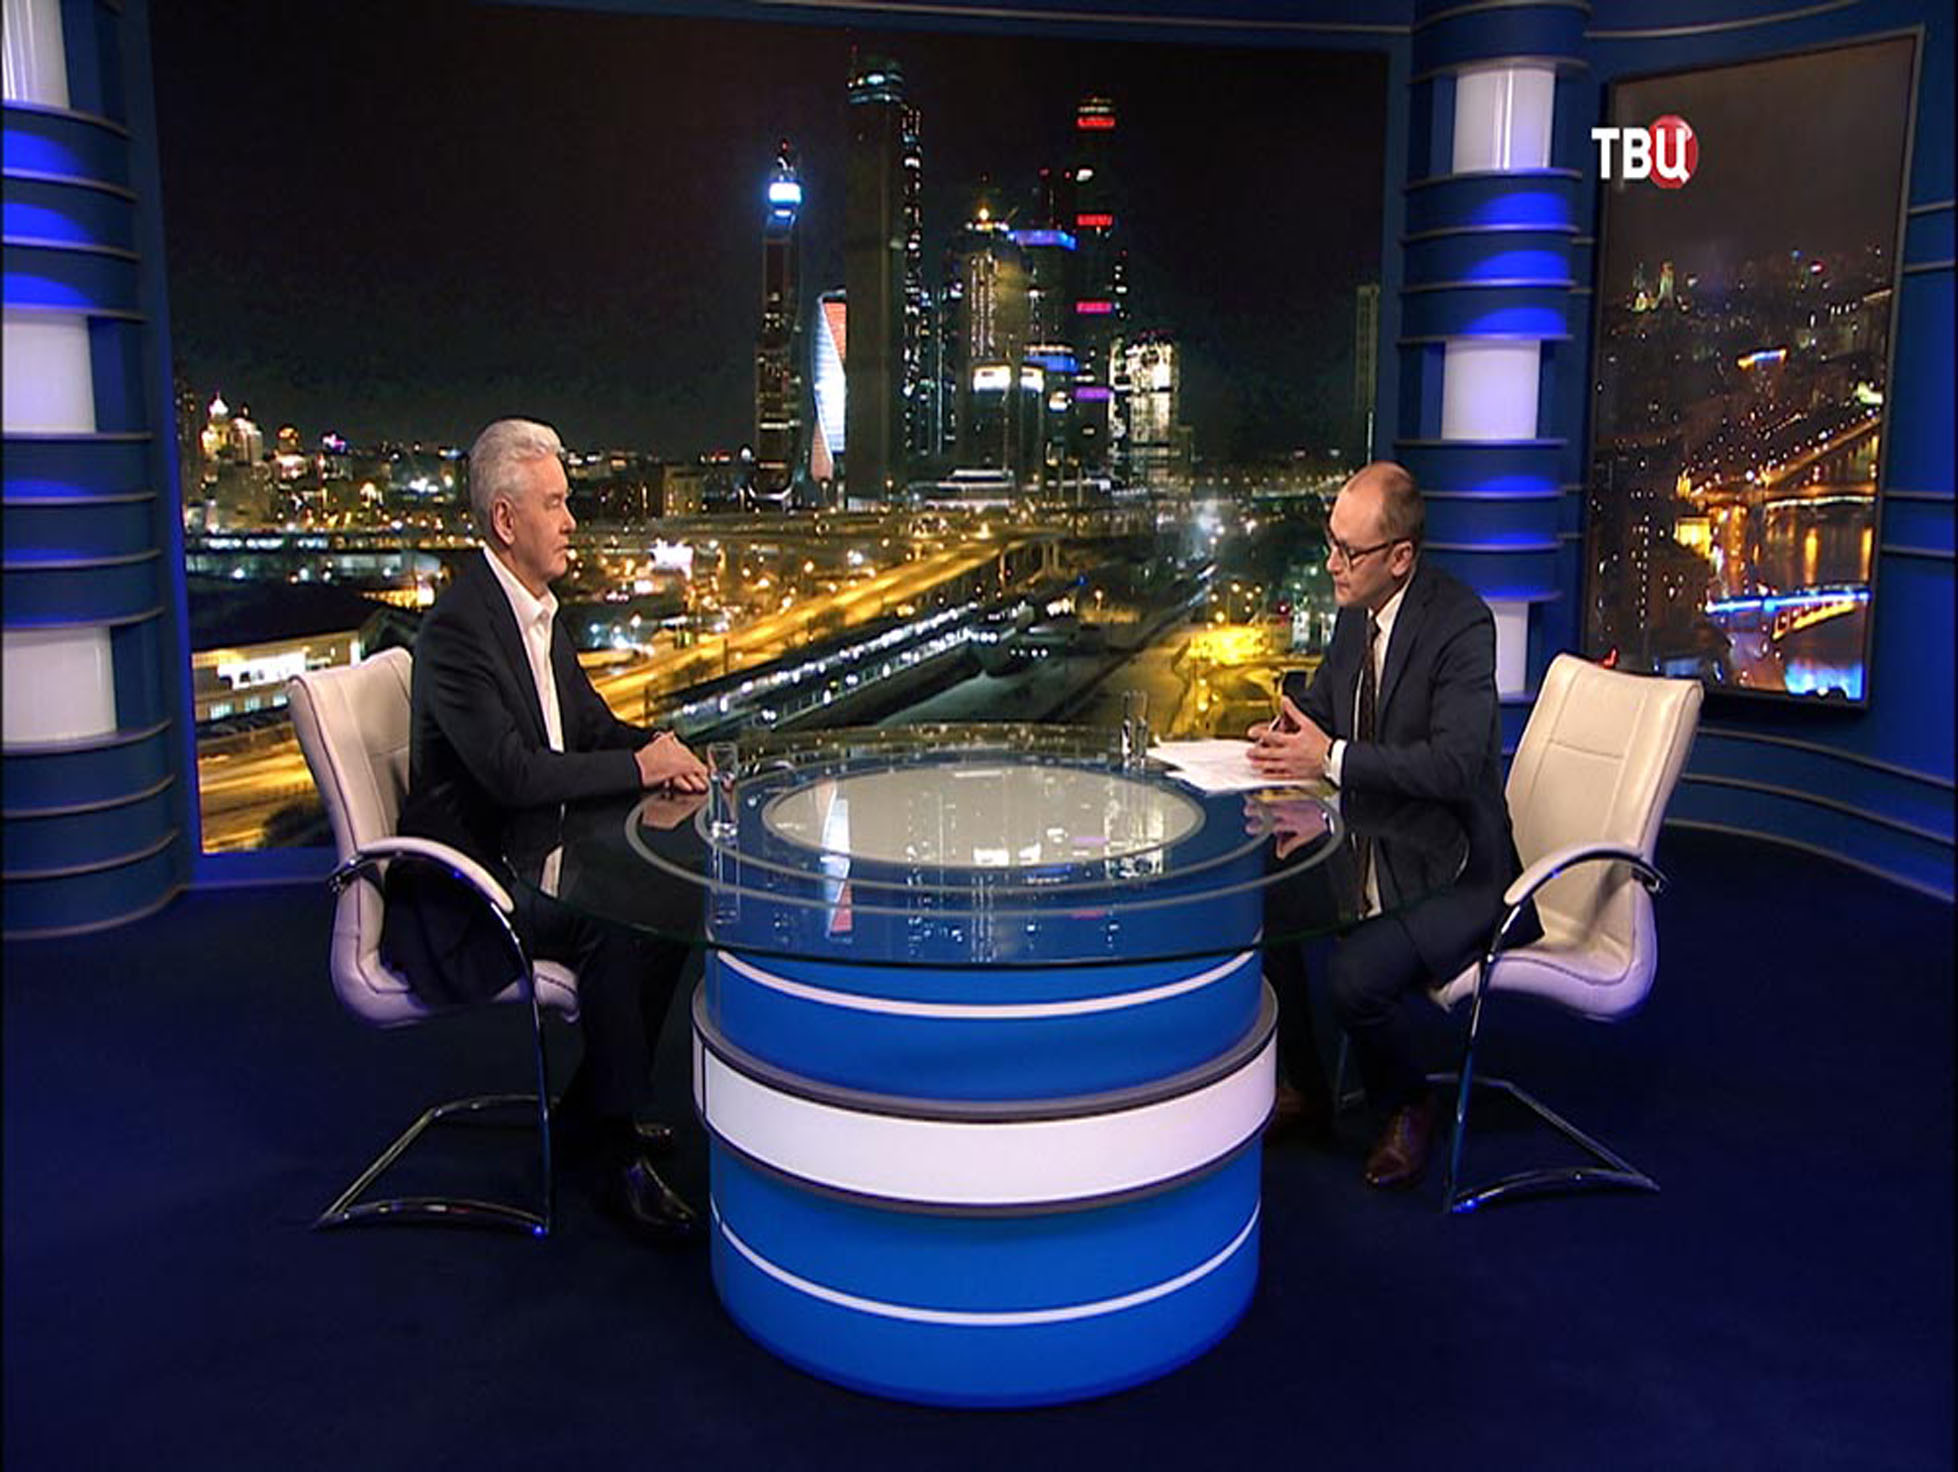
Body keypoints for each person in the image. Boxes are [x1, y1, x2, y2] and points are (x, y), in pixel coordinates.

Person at [381, 417, 710, 1241]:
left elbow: (589, 728)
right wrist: (637, 769)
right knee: (618, 925)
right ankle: (613, 1155)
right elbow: (514, 775)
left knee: (670, 913)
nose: (571, 521)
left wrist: (661, 752)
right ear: (505, 519)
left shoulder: (535, 613)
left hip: (528, 856)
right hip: (466, 894)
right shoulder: (459, 630)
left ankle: (595, 1113)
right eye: (556, 504)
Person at [1247, 461, 1534, 1189]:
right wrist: (1288, 734)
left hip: (1459, 864)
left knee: (1353, 979)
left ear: (1400, 557)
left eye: (1349, 551)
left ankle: (1409, 1103)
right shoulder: (1356, 615)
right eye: (1331, 544)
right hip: (1376, 835)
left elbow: (1456, 766)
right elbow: (1326, 705)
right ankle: (1306, 1089)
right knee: (1266, 897)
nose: (1331, 564)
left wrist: (1332, 756)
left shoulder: (1461, 623)